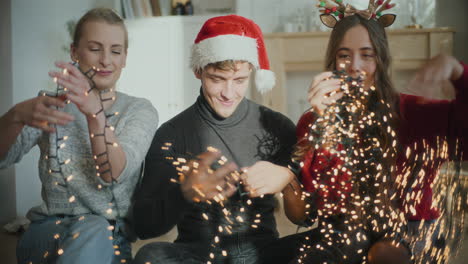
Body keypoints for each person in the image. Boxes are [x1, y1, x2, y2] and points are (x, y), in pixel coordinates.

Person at [268, 1, 468, 263]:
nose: (354, 66)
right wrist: (322, 126)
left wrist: (456, 71)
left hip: (409, 229)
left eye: (367, 54)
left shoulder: (413, 112)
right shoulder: (313, 120)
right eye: (344, 55)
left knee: (384, 255)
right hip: (344, 232)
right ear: (333, 60)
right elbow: (306, 215)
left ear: (381, 59)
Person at [132, 15, 301, 264]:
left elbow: (303, 218)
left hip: (264, 252)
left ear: (251, 72)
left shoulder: (277, 126)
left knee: (334, 240)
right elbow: (144, 226)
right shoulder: (170, 135)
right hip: (198, 255)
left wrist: (288, 179)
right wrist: (184, 192)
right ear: (198, 71)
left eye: (240, 80)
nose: (228, 93)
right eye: (217, 79)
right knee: (151, 255)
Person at [0, 8, 159, 264]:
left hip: (111, 237)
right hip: (46, 235)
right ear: (75, 52)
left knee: (95, 228)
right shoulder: (51, 105)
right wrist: (15, 115)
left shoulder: (139, 110)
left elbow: (115, 173)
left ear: (125, 57)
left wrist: (94, 112)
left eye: (116, 51)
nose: (106, 60)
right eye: (95, 48)